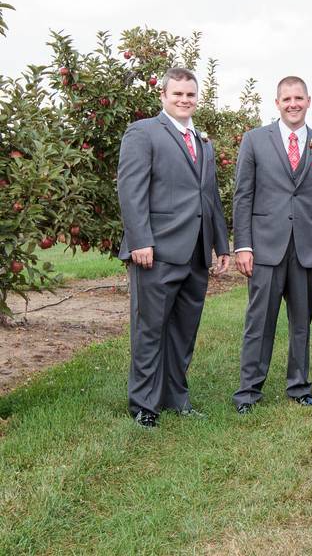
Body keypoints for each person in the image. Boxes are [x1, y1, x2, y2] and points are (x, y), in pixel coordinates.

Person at [117, 67, 230, 428]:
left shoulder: (203, 141)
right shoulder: (143, 132)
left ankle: (175, 398)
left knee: (183, 331)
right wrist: (140, 240)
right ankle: (144, 406)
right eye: (177, 93)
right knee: (150, 330)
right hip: (157, 250)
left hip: (196, 251)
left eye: (190, 94)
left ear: (197, 98)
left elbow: (209, 196)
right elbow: (130, 189)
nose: (184, 100)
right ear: (163, 95)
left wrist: (221, 245)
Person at [231, 76, 312, 414]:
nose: (293, 104)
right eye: (287, 99)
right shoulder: (254, 140)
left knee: (301, 324)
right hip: (265, 248)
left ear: (308, 101)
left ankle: (299, 387)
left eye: (298, 98)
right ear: (277, 103)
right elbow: (243, 195)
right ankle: (249, 391)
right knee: (259, 323)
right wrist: (243, 245)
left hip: (308, 249)